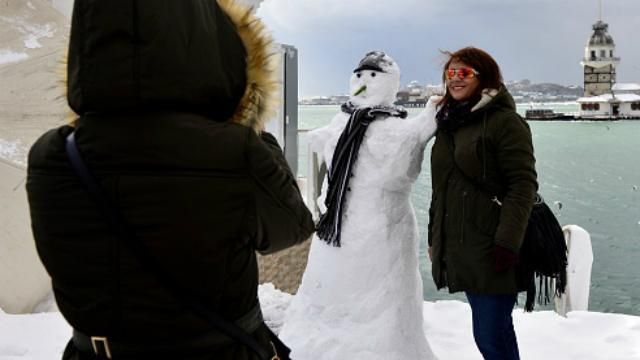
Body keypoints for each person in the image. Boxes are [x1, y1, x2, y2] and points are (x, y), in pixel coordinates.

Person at [26, 0, 314, 359]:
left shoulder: (53, 155)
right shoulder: (232, 152)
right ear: (203, 46)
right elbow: (294, 226)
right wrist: (253, 130)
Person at [279, 51, 438, 360]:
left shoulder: (395, 126)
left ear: (390, 82)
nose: (364, 82)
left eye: (373, 76)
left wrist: (423, 127)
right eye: (360, 75)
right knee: (329, 293)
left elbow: (397, 173)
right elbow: (328, 144)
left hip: (381, 226)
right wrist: (319, 139)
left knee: (380, 301)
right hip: (336, 226)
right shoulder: (342, 119)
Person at [427, 46, 538, 360]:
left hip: (494, 246)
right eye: (450, 72)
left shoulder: (505, 122)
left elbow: (523, 184)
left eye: (464, 73)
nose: (455, 79)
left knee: (490, 335)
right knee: (495, 334)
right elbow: (443, 189)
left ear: (484, 77)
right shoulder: (449, 123)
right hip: (464, 246)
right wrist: (435, 239)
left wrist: (507, 243)